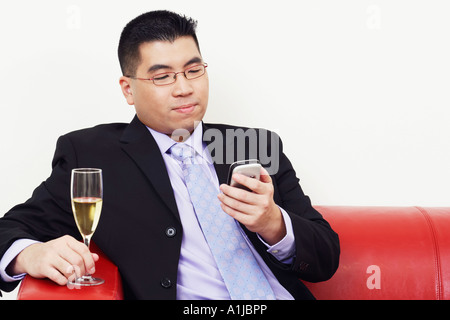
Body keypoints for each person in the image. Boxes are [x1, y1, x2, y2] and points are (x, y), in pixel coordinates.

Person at [0, 10, 339, 300]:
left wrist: (273, 224)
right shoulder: (91, 154)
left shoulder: (252, 144)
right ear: (128, 89)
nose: (184, 87)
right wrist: (29, 255)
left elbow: (326, 258)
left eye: (194, 70)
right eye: (163, 76)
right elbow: (9, 230)